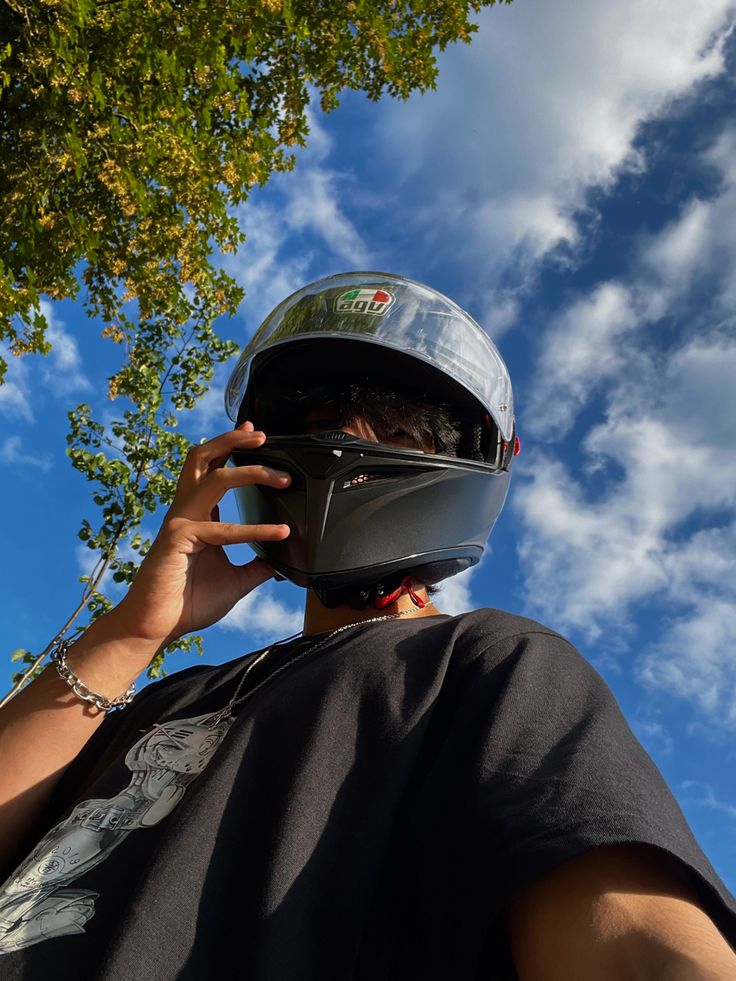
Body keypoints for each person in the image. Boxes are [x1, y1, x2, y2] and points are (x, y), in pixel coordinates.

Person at [0, 272, 734, 980]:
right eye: (310, 421)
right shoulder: (172, 695)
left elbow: (632, 941)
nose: (343, 442)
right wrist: (134, 630)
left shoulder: (482, 665)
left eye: (396, 427)